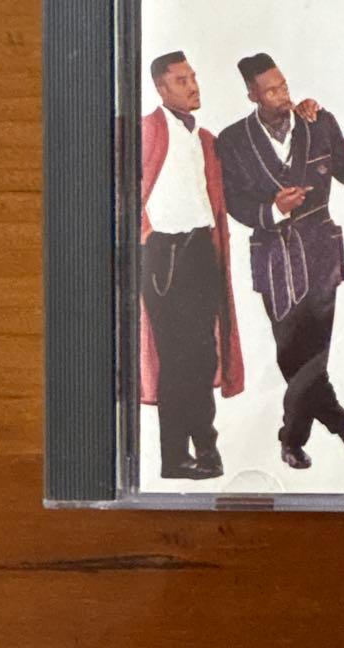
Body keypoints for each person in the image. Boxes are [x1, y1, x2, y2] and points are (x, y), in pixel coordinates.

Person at [215, 53, 344, 471]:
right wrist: (273, 209)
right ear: (252, 95)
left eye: (283, 85)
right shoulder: (231, 141)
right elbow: (234, 202)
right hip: (273, 257)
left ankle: (293, 439)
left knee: (315, 355)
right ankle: (339, 421)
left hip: (320, 250)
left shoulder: (318, 123)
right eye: (271, 91)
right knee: (290, 356)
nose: (283, 95)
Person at [140, 51, 244, 480]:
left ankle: (198, 451)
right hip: (163, 254)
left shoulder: (205, 139)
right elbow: (118, 189)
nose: (193, 85)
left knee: (203, 356)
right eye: (181, 80)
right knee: (177, 357)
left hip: (201, 249)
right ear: (161, 88)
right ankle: (182, 456)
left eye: (193, 77)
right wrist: (144, 233)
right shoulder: (145, 130)